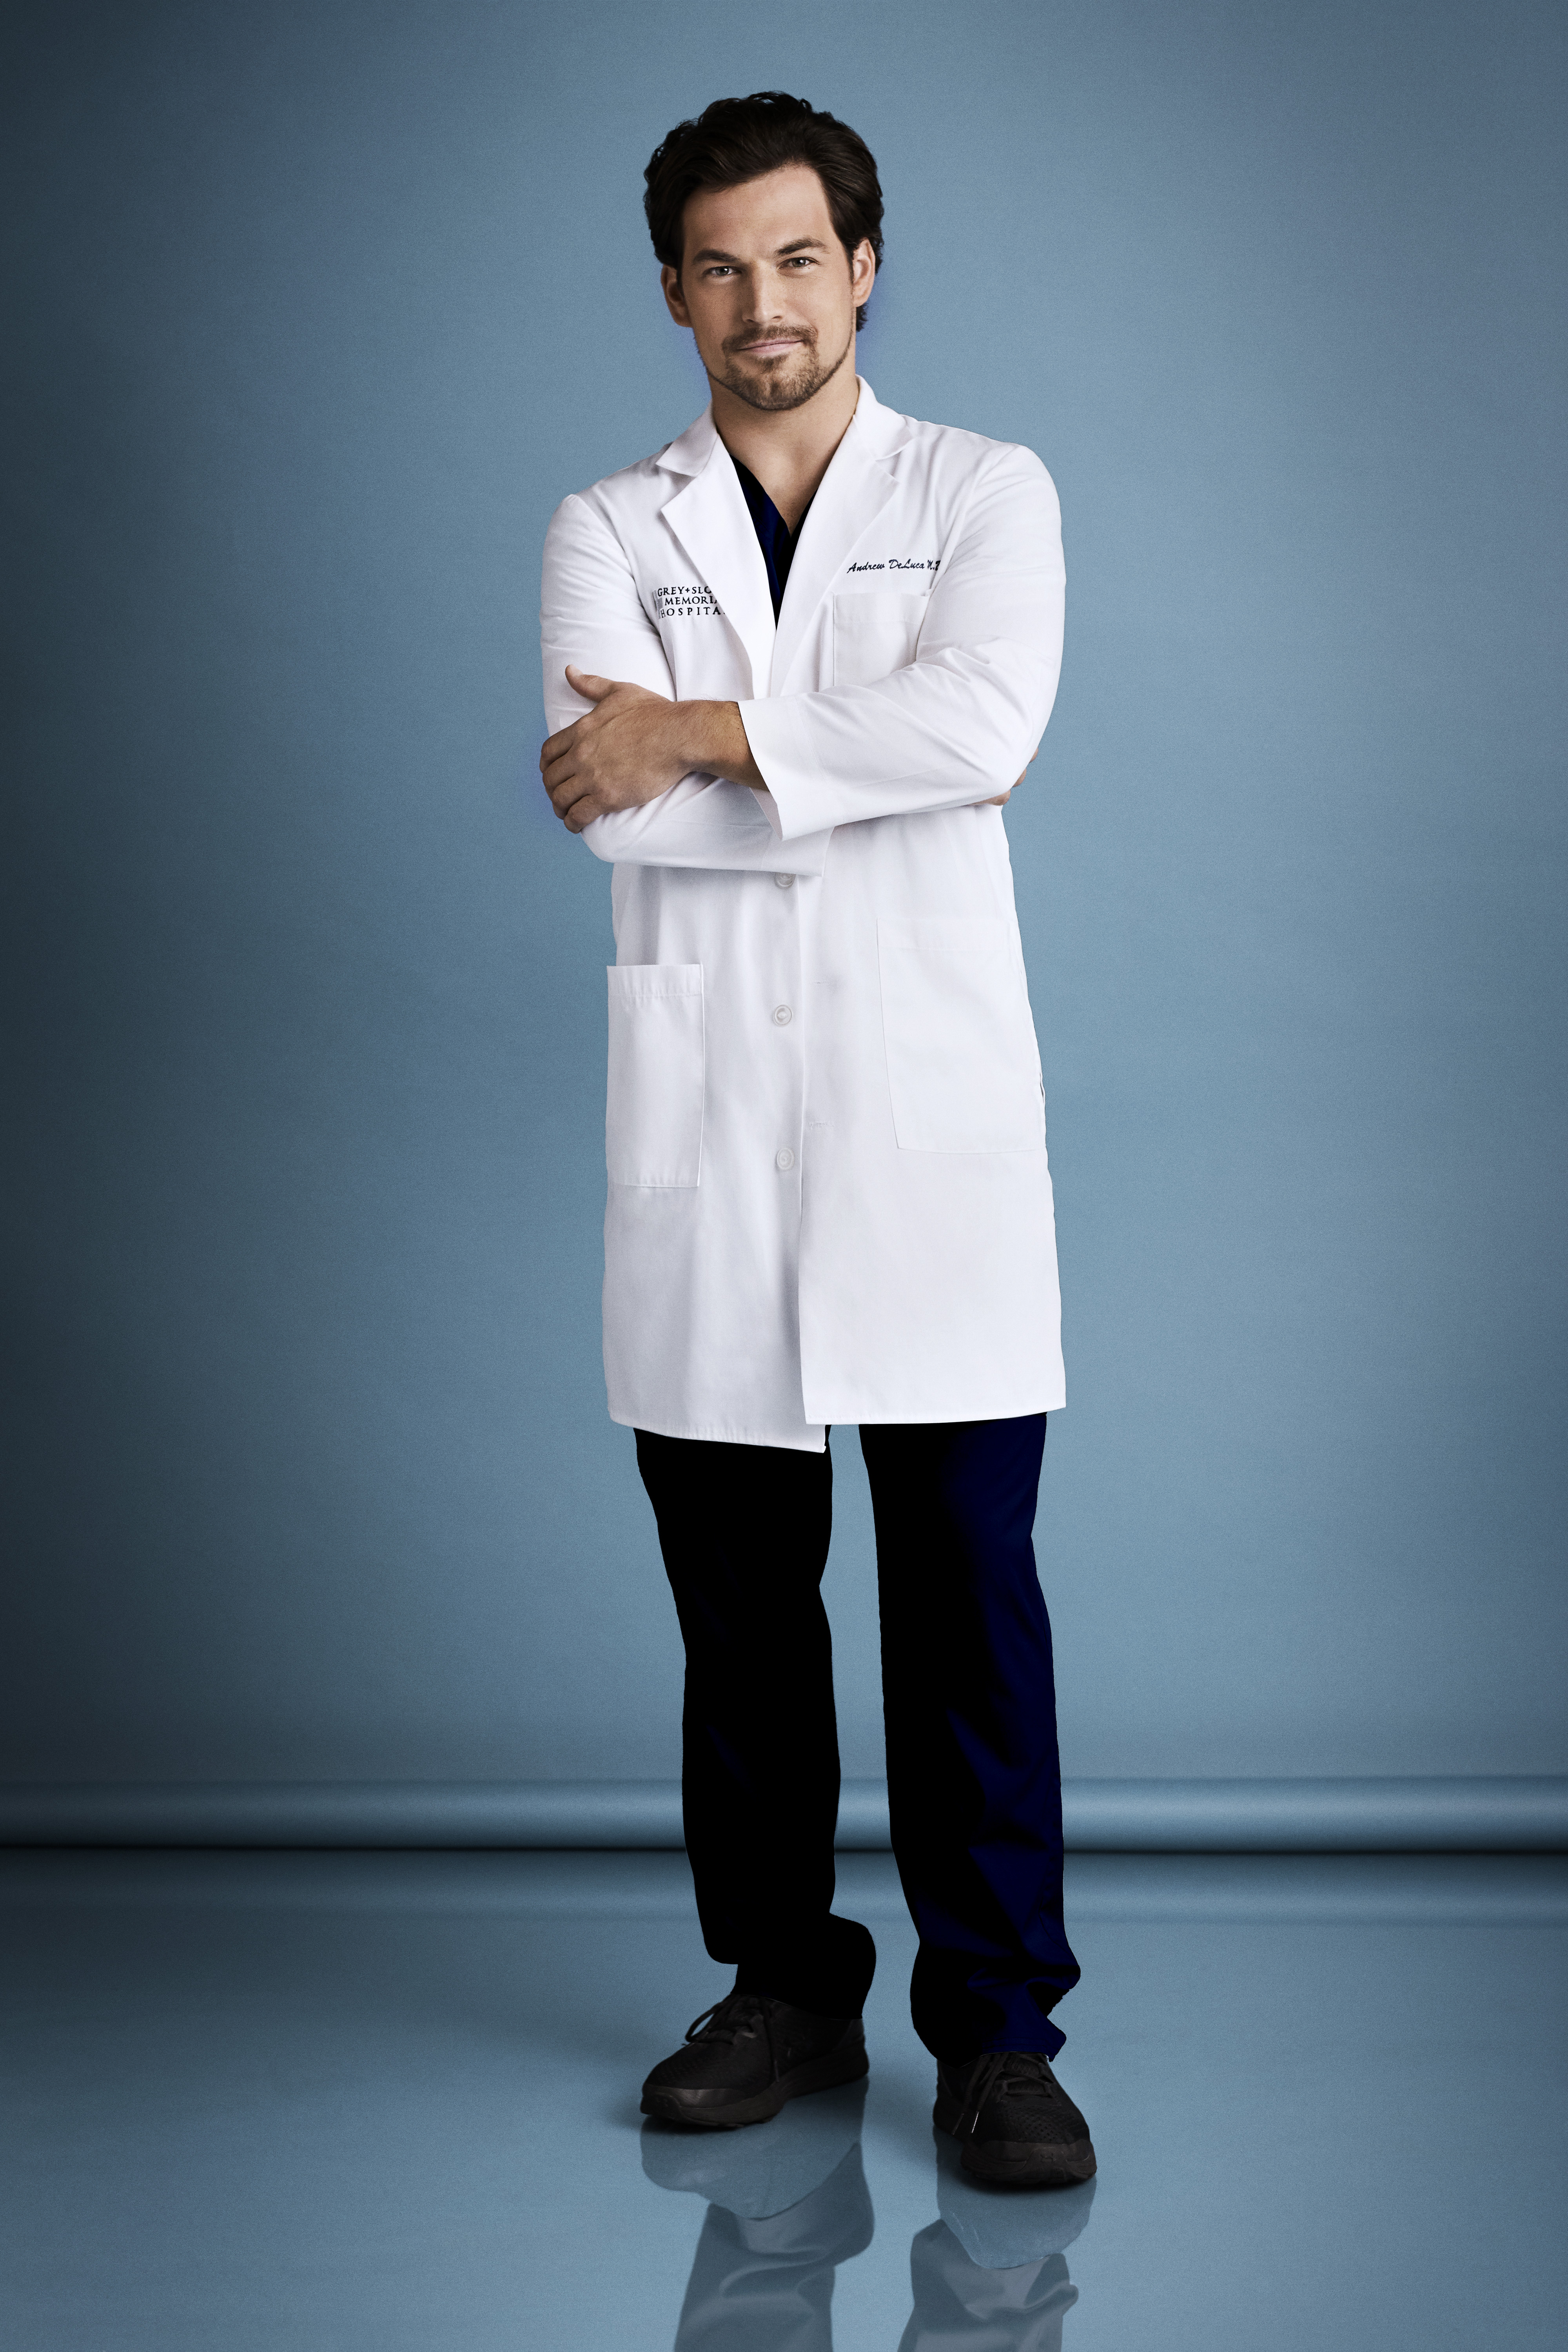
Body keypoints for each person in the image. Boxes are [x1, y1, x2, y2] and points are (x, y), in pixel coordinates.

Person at [539, 91, 1094, 2189]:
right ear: (674, 294)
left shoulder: (985, 489)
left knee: (967, 1604)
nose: (760, 301)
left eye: (796, 258)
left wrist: (695, 731)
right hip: (714, 1138)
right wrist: (855, 770)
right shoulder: (611, 523)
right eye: (719, 266)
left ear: (862, 269)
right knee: (743, 1615)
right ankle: (783, 1983)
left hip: (925, 1137)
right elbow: (615, 815)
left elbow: (990, 726)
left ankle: (1000, 2032)